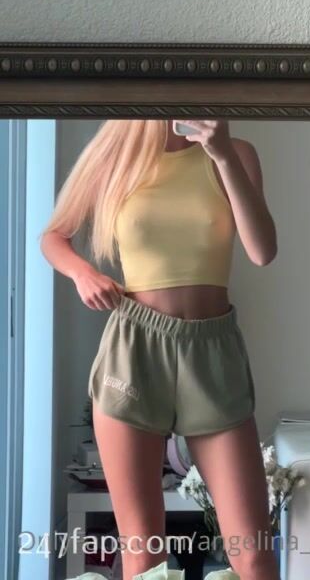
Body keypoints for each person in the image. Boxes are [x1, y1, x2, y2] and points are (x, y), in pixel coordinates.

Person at [40, 119, 279, 580]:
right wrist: (83, 274)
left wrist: (222, 154)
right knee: (144, 555)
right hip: (134, 349)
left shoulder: (236, 153)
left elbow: (262, 251)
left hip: (212, 351)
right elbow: (54, 237)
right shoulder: (115, 157)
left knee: (253, 555)